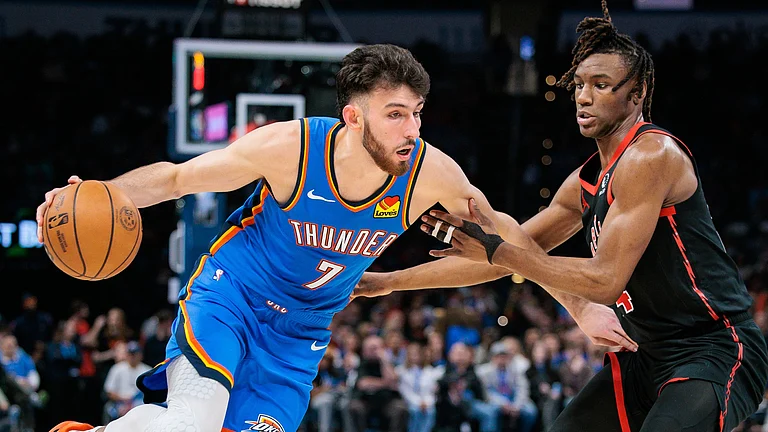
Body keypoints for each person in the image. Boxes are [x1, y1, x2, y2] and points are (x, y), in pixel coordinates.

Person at [37, 43, 628, 432]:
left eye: (417, 112)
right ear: (352, 117)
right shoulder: (291, 148)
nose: (412, 128)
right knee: (195, 416)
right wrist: (94, 196)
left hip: (300, 334)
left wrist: (577, 305)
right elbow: (176, 178)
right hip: (232, 296)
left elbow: (508, 243)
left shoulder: (432, 175)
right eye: (395, 114)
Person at [361, 2, 768, 430]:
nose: (584, 95)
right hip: (644, 354)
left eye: (602, 84)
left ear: (638, 92)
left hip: (716, 348)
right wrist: (386, 283)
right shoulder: (585, 180)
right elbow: (508, 254)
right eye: (579, 84)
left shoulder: (652, 155)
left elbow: (604, 278)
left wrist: (501, 253)